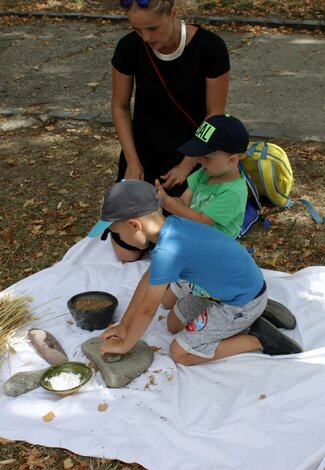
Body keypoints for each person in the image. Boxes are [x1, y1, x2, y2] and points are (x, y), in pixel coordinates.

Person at [88, 180, 303, 365]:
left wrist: (126, 344)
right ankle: (252, 314)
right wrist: (124, 326)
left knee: (180, 353)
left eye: (117, 233)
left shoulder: (167, 250)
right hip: (235, 290)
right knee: (173, 324)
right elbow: (147, 281)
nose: (119, 240)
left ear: (135, 225)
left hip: (240, 302)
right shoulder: (171, 227)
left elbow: (147, 309)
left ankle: (257, 337)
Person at [110, 0, 230, 261]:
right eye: (138, 29)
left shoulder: (211, 48)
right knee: (127, 252)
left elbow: (214, 116)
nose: (146, 37)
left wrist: (188, 165)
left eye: (153, 28)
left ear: (174, 13)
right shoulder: (129, 47)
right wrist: (132, 160)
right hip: (143, 154)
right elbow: (119, 107)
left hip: (192, 156)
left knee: (178, 250)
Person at [155, 113, 250, 308]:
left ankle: (244, 309)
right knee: (165, 303)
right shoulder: (206, 173)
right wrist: (158, 199)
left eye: (206, 156)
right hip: (193, 249)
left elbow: (201, 219)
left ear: (232, 160)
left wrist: (168, 204)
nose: (199, 161)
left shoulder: (233, 192)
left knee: (179, 321)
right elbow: (183, 201)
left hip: (214, 260)